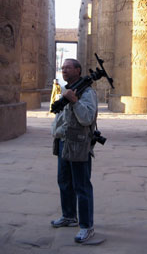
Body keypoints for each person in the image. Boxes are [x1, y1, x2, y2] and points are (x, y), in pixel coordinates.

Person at [51, 58, 98, 244]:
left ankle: (87, 227)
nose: (64, 70)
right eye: (62, 68)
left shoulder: (87, 92)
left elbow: (86, 118)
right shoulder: (65, 90)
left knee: (82, 185)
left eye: (68, 68)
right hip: (63, 141)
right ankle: (69, 216)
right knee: (64, 181)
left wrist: (74, 101)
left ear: (78, 70)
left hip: (79, 144)